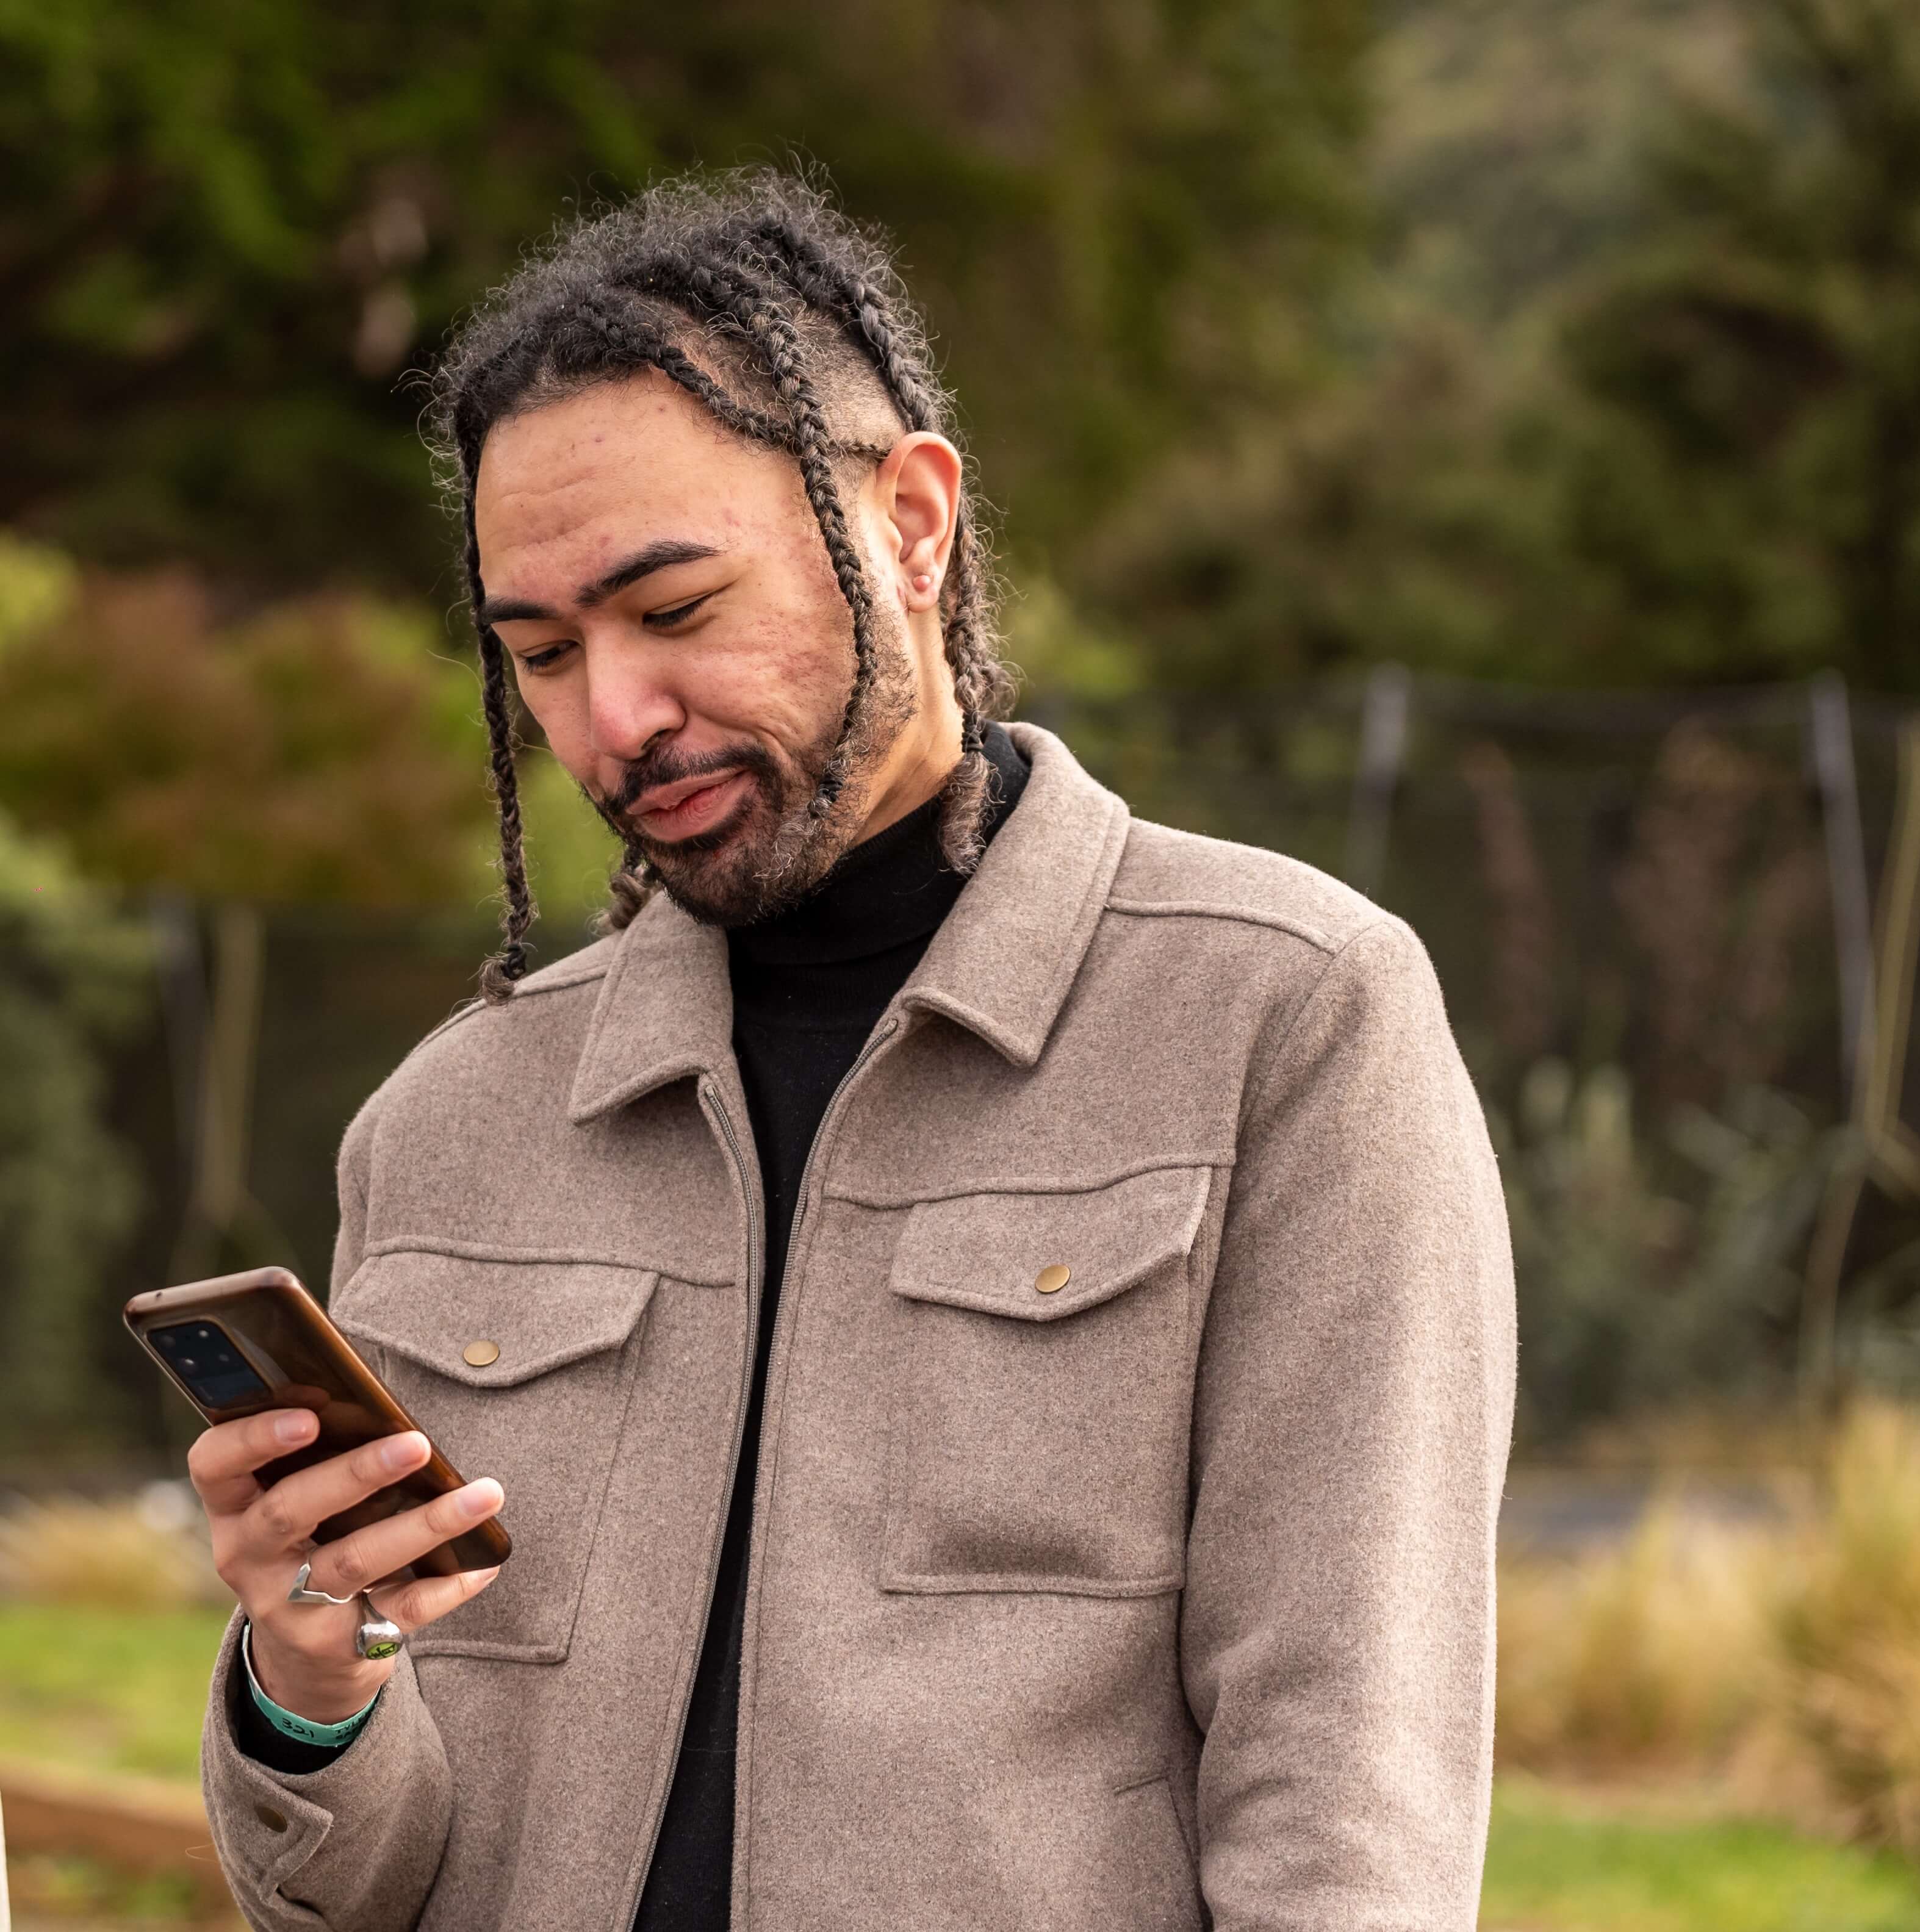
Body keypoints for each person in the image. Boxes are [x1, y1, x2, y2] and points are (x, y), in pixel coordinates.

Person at [189, 170, 1516, 1932]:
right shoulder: (448, 1125)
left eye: (673, 612)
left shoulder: (1288, 1022)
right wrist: (310, 1679)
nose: (614, 719)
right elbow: (347, 1895)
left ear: (911, 523)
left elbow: (1350, 1808)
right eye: (542, 653)